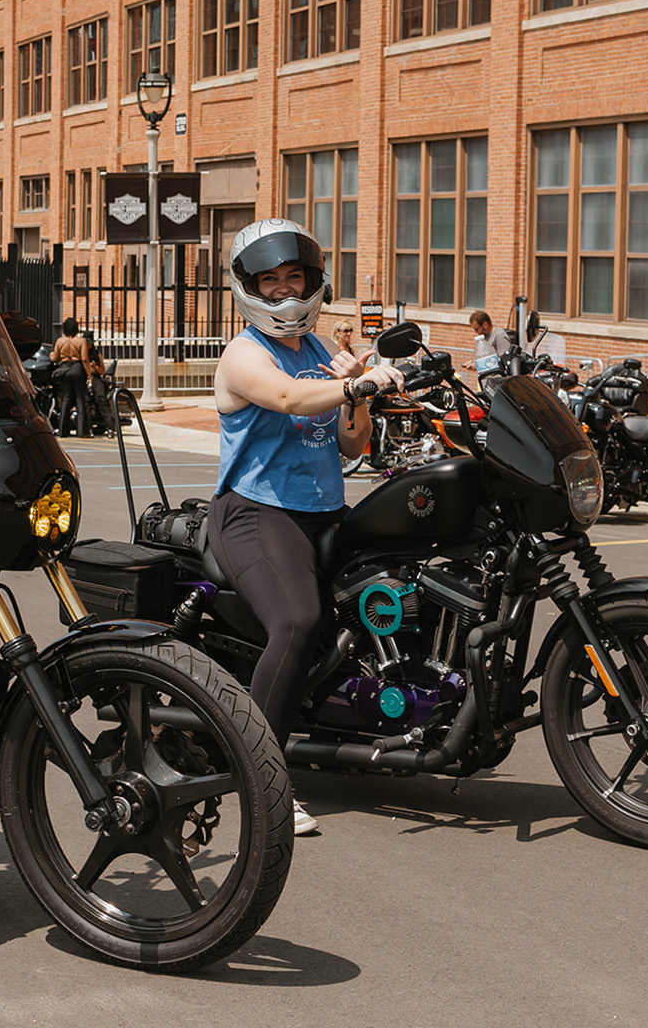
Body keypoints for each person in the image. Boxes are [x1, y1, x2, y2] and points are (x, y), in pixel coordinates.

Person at [209, 218, 403, 837]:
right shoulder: (243, 354)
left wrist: (359, 391)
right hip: (255, 513)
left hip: (322, 510)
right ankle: (261, 782)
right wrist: (356, 383)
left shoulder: (323, 353)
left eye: (295, 278)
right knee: (297, 621)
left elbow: (351, 445)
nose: (286, 294)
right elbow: (292, 400)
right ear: (249, 289)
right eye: (271, 283)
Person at [49, 317, 91, 437]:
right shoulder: (81, 341)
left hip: (65, 370)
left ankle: (63, 430)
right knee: (80, 400)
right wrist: (89, 374)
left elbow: (54, 358)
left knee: (66, 400)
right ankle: (82, 431)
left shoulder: (60, 341)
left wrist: (51, 354)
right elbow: (84, 358)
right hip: (78, 369)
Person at [83, 328, 114, 435]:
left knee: (100, 398)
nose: (89, 346)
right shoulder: (81, 353)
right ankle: (88, 428)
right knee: (86, 400)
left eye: (90, 344)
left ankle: (110, 426)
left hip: (95, 378)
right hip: (84, 378)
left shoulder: (96, 354)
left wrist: (95, 367)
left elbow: (102, 371)